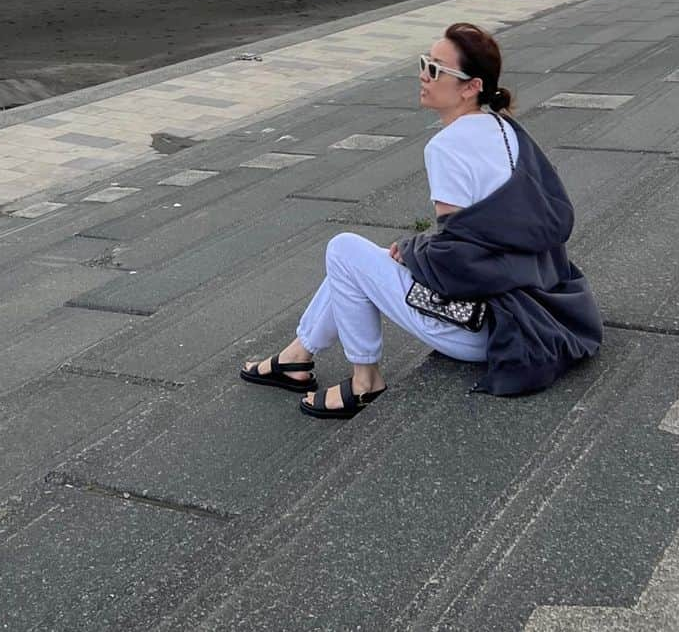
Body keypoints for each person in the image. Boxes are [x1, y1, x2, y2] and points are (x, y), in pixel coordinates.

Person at [239, 22, 603, 419]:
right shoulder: (507, 131)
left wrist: (416, 249)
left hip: (482, 329)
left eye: (435, 70)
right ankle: (297, 356)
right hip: (530, 311)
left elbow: (457, 262)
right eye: (424, 63)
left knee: (343, 250)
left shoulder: (446, 147)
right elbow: (486, 232)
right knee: (365, 261)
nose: (423, 76)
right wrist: (418, 249)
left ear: (470, 86)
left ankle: (365, 382)